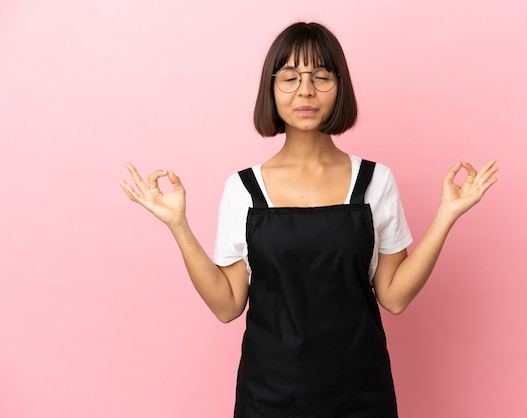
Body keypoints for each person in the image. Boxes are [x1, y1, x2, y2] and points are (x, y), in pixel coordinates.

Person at [120, 21, 497, 418]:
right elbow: (228, 305)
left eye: (320, 76)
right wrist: (178, 224)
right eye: (290, 77)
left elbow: (394, 296)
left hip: (360, 393)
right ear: (271, 89)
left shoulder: (374, 181)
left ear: (340, 87)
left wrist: (446, 215)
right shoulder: (244, 188)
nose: (306, 90)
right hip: (269, 395)